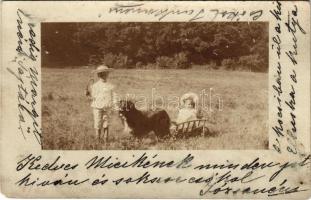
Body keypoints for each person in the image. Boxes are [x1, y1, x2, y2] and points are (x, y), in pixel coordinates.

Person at [86, 65, 116, 142]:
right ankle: (97, 139)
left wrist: (114, 106)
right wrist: (89, 94)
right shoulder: (95, 86)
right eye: (101, 74)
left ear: (108, 74)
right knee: (97, 123)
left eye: (105, 73)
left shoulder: (111, 86)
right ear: (98, 75)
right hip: (97, 107)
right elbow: (92, 96)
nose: (104, 75)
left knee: (106, 122)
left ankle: (106, 139)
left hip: (107, 106)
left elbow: (114, 96)